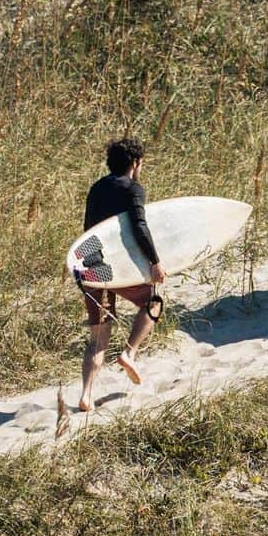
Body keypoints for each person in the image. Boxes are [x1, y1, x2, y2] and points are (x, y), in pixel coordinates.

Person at [77, 137, 165, 412]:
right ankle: (129, 352)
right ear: (136, 163)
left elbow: (91, 229)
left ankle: (86, 395)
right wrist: (154, 262)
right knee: (153, 302)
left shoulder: (97, 187)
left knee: (98, 336)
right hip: (115, 266)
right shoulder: (133, 189)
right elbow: (139, 226)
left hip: (89, 263)